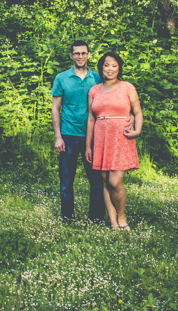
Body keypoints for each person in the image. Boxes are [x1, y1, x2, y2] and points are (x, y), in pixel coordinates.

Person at [86, 51, 143, 231]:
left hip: (121, 138)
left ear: (119, 68)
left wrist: (137, 130)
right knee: (104, 182)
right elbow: (90, 119)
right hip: (101, 139)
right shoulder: (94, 90)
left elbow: (138, 112)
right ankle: (113, 222)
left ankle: (122, 216)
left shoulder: (127, 87)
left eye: (114, 65)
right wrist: (88, 146)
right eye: (106, 65)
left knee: (114, 182)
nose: (110, 69)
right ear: (101, 68)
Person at [51, 40, 106, 223]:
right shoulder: (62, 78)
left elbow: (112, 99)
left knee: (97, 181)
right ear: (71, 56)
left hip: (93, 136)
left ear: (89, 55)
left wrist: (129, 116)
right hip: (68, 135)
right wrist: (58, 137)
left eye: (84, 53)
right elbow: (55, 108)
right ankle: (67, 217)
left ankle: (95, 218)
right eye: (77, 53)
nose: (80, 56)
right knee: (67, 181)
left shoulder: (98, 78)